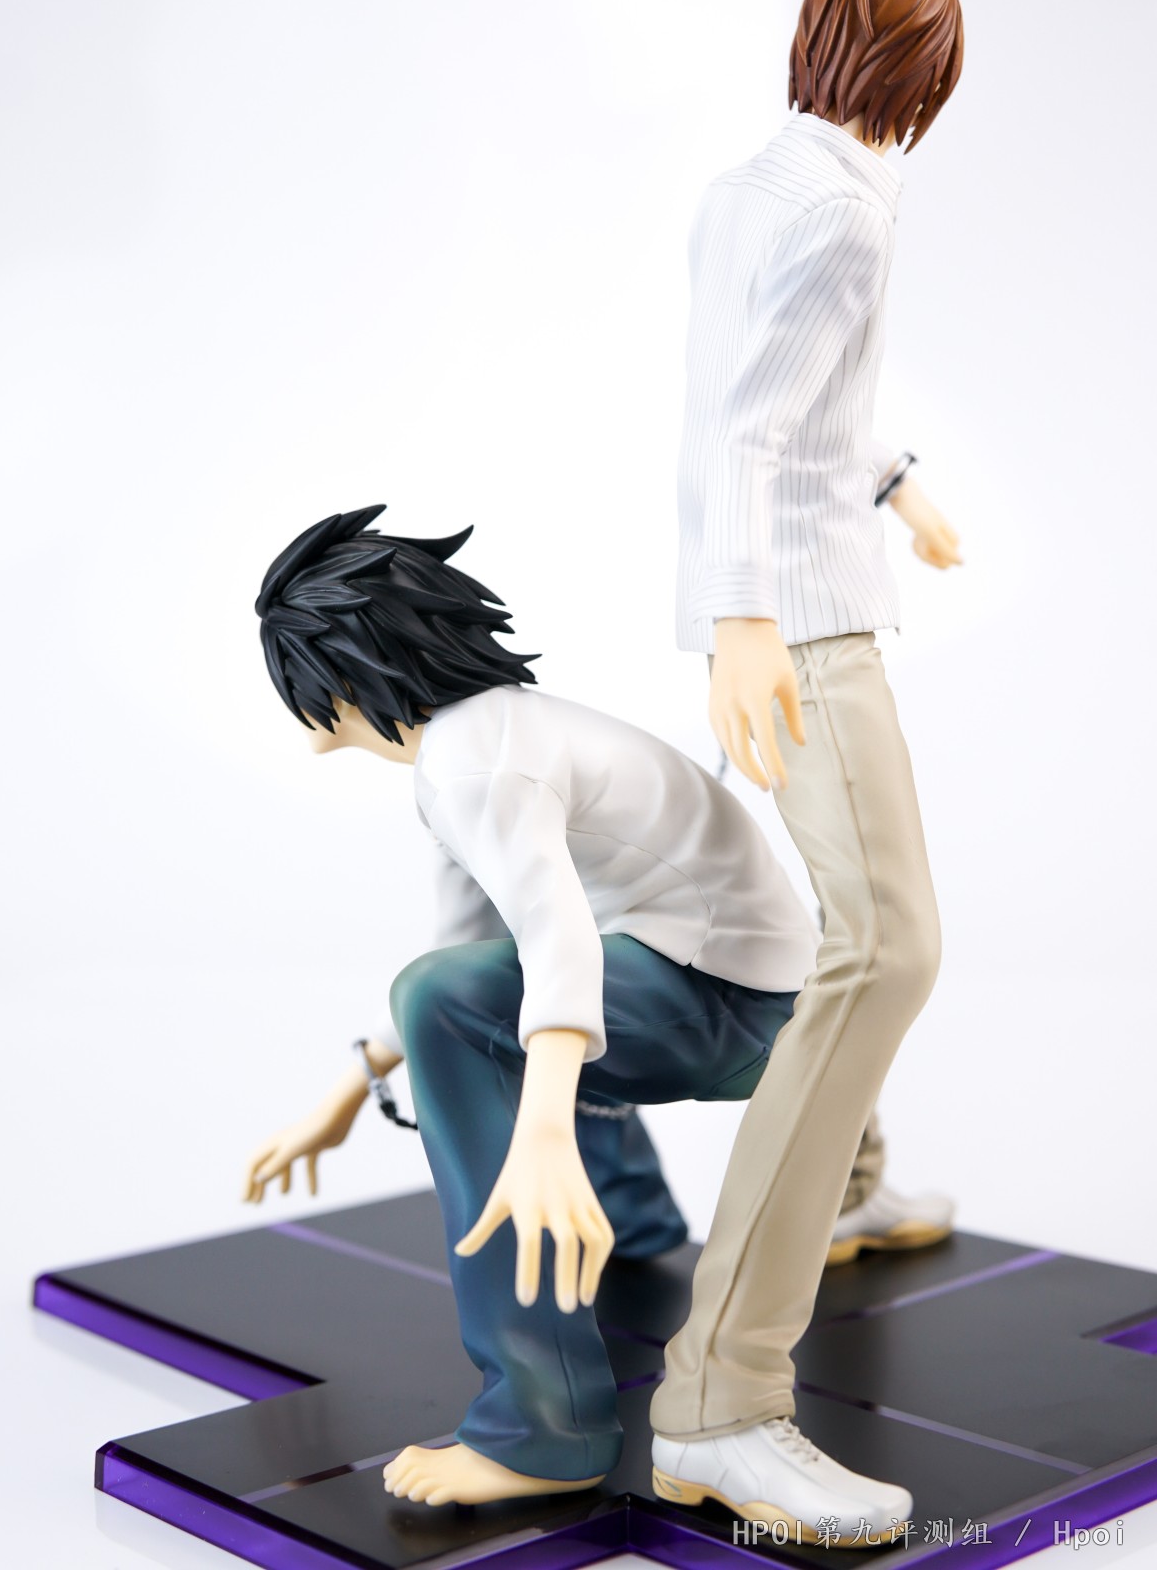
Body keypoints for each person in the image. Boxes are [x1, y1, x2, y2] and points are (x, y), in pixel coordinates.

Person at [243, 504, 913, 1543]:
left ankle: (538, 1429)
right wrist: (347, 1090)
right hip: (749, 996)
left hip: (733, 1013)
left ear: (335, 682)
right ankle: (639, 1227)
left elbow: (547, 954)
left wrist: (545, 1133)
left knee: (472, 1008)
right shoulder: (486, 734)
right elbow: (483, 943)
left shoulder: (472, 764)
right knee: (470, 998)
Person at [649, 0, 962, 1516]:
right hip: (803, 622)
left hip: (773, 603)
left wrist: (899, 486)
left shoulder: (756, 184)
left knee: (851, 930)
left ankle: (845, 1184)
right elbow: (756, 426)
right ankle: (720, 1395)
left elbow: (790, 392)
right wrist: (752, 623)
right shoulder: (846, 207)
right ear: (921, 72)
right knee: (886, 944)